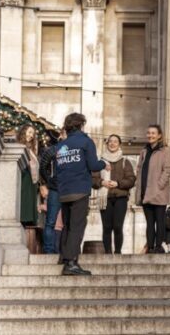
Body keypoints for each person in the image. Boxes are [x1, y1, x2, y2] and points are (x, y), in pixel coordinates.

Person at [55, 113, 108, 275]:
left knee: (67, 225)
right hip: (79, 189)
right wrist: (104, 163)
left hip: (64, 191)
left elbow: (57, 169)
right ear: (81, 125)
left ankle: (64, 256)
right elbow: (93, 165)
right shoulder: (85, 142)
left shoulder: (61, 146)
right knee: (77, 226)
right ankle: (71, 263)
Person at [91, 134, 136, 254]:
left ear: (119, 144)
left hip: (120, 197)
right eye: (110, 141)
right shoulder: (99, 162)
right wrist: (102, 182)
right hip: (105, 198)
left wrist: (118, 183)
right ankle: (107, 253)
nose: (112, 143)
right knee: (106, 227)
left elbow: (131, 179)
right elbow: (93, 179)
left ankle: (117, 252)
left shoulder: (125, 162)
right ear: (107, 144)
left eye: (115, 141)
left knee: (117, 226)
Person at [136, 124, 170, 254]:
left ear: (159, 135)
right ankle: (150, 246)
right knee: (149, 222)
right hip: (145, 192)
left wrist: (159, 185)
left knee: (160, 220)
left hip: (159, 192)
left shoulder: (165, 150)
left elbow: (168, 170)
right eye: (149, 133)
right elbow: (139, 169)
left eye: (153, 133)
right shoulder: (144, 151)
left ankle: (158, 246)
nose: (150, 135)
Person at [39, 128, 66, 254]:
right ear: (61, 134)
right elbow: (43, 165)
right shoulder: (54, 149)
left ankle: (65, 250)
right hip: (55, 189)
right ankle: (49, 251)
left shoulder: (77, 149)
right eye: (65, 132)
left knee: (69, 223)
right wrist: (49, 181)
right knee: (50, 221)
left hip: (70, 190)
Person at [16, 125, 41, 228]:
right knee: (24, 200)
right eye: (29, 132)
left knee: (30, 202)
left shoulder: (32, 149)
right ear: (24, 131)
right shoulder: (19, 145)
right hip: (24, 177)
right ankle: (24, 218)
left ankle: (29, 220)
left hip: (31, 180)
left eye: (33, 134)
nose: (31, 135)